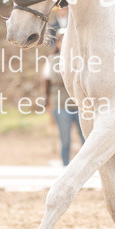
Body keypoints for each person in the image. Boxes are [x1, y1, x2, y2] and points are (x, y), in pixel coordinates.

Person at [43, 16, 84, 166]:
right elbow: (53, 79)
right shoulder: (52, 60)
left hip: (78, 105)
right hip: (60, 104)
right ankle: (65, 165)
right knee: (65, 139)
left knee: (84, 139)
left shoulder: (81, 59)